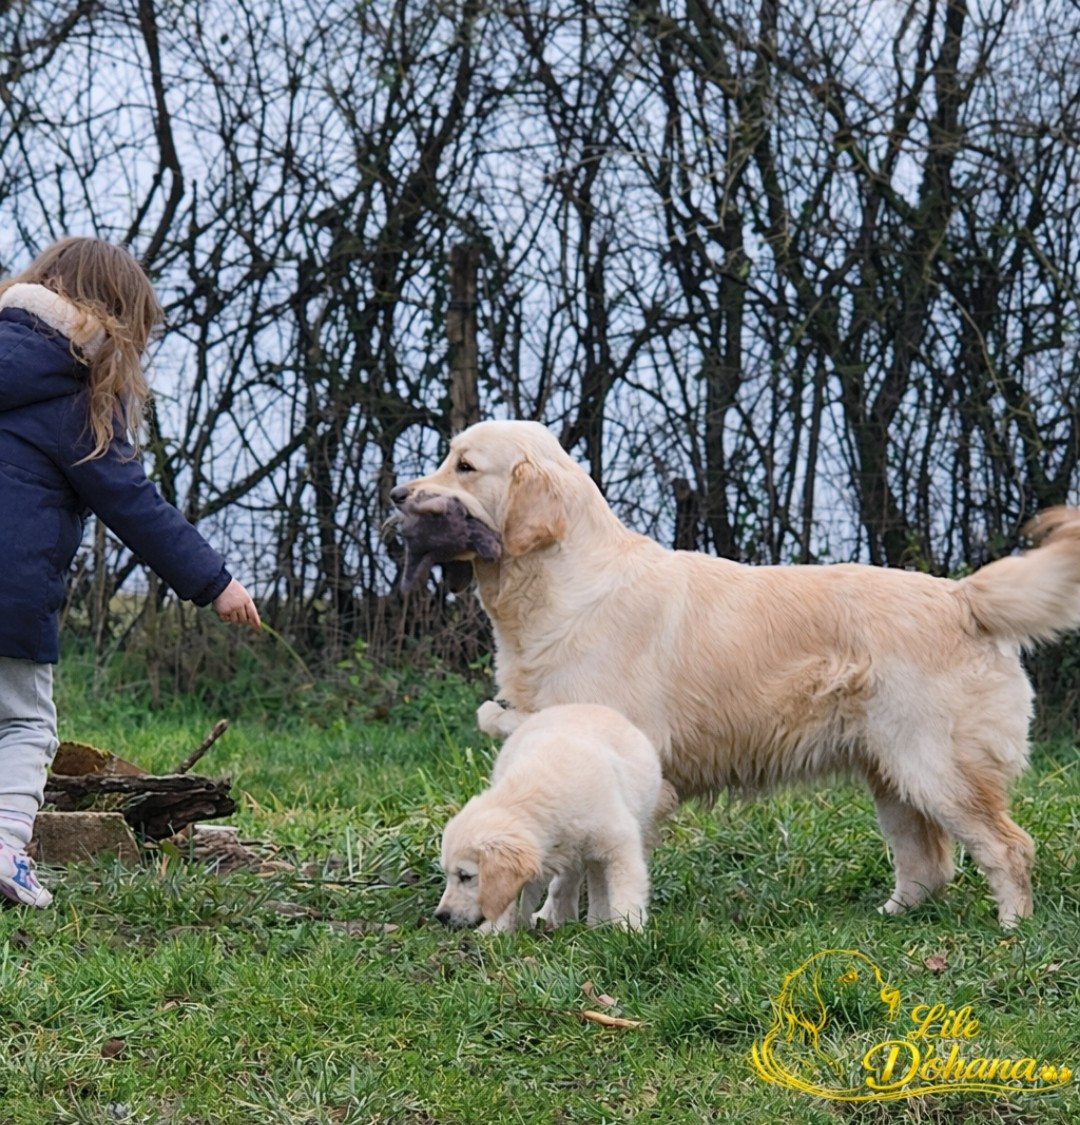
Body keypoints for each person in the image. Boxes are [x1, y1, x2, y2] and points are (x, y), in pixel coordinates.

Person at [0, 236, 262, 907]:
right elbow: (135, 507)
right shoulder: (78, 391)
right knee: (24, 724)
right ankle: (3, 849)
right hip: (11, 594)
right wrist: (216, 582)